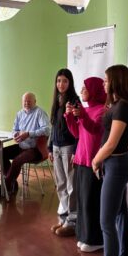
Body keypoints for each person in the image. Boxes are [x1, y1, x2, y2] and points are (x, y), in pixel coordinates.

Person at [81, 65, 128, 256]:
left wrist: (96, 160)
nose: (104, 83)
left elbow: (111, 143)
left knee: (106, 222)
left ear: (116, 81)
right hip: (114, 164)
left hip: (116, 165)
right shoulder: (117, 105)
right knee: (119, 213)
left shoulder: (123, 107)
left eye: (107, 80)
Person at [65, 77, 106, 252]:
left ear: (94, 90)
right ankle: (83, 236)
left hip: (93, 162)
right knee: (82, 201)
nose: (82, 90)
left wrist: (82, 116)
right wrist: (69, 117)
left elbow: (95, 130)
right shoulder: (86, 109)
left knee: (91, 202)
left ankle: (95, 240)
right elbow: (77, 133)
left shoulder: (103, 111)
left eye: (85, 88)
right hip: (81, 160)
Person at [48, 69, 79, 237]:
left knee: (71, 185)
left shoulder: (74, 101)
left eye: (65, 81)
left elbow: (78, 129)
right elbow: (53, 126)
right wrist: (49, 147)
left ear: (70, 83)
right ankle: (64, 218)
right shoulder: (57, 100)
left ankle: (72, 221)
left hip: (68, 147)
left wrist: (75, 150)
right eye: (58, 80)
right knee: (60, 184)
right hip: (56, 147)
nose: (61, 84)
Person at [2, 92, 50, 197]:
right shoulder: (19, 113)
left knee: (17, 161)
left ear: (35, 101)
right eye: (24, 101)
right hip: (21, 146)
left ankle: (6, 186)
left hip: (35, 149)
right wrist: (15, 134)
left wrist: (28, 134)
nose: (26, 103)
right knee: (1, 153)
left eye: (29, 101)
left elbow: (47, 130)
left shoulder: (40, 112)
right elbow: (14, 129)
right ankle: (12, 182)